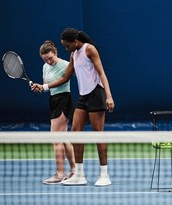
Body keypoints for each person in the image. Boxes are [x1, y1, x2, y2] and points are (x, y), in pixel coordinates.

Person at [32, 28, 115, 187]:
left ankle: (104, 174)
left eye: (66, 45)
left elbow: (102, 73)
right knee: (75, 133)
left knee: (99, 135)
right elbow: (64, 78)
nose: (65, 48)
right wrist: (44, 87)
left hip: (97, 94)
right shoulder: (73, 55)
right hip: (83, 97)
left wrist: (109, 96)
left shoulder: (89, 49)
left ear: (75, 42)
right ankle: (79, 174)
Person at [37, 40, 76, 184]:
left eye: (50, 58)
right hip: (53, 100)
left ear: (55, 52)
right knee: (63, 137)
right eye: (45, 59)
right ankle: (73, 170)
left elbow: (63, 80)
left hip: (63, 99)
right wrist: (39, 87)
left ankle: (60, 174)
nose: (48, 61)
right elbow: (46, 84)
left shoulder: (66, 65)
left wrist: (44, 87)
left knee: (56, 138)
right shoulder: (45, 67)